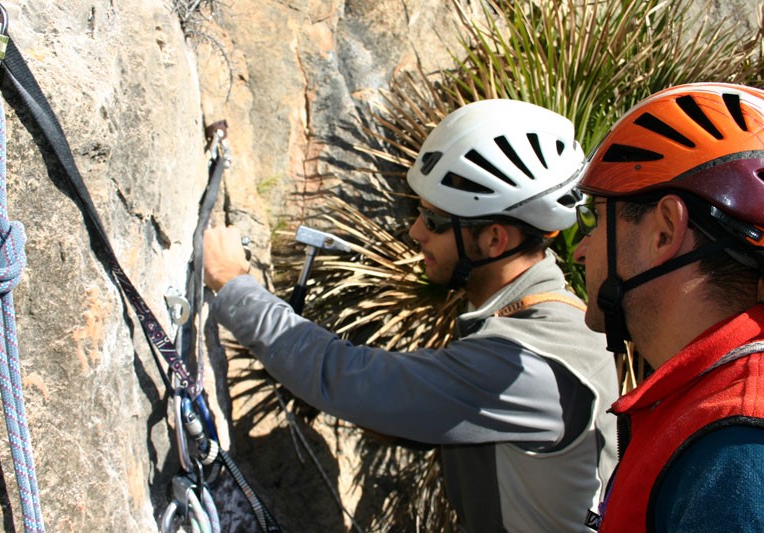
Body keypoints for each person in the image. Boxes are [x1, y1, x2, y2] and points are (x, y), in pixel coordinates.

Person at [204, 99, 618, 532]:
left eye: (434, 220)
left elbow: (343, 377)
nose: (415, 231)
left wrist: (233, 284)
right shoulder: (547, 317)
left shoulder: (525, 367)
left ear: (494, 240)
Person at [573, 82, 764, 532]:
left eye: (596, 218)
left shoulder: (734, 450)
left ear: (664, 231)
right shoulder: (711, 406)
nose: (580, 251)